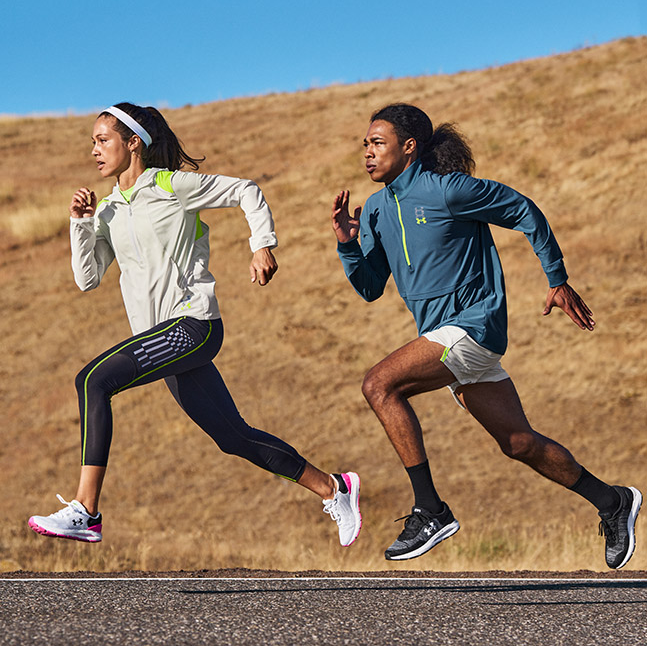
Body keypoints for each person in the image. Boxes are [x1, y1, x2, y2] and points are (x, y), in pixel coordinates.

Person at [28, 102, 361, 548]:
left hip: (193, 324)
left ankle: (86, 511)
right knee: (233, 436)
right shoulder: (107, 210)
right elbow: (87, 280)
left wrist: (261, 245)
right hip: (161, 341)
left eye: (102, 139)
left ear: (133, 144)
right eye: (92, 142)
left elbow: (246, 190)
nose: (94, 150)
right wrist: (81, 224)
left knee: (92, 380)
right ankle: (334, 488)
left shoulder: (170, 185)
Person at [330, 102, 640, 568]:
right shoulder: (374, 210)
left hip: (474, 325)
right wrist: (348, 244)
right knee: (519, 443)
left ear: (408, 147)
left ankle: (430, 510)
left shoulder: (448, 191)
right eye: (365, 145)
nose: (367, 153)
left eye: (377, 143)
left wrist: (556, 279)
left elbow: (525, 211)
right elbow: (370, 287)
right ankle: (613, 502)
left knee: (379, 384)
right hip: (445, 337)